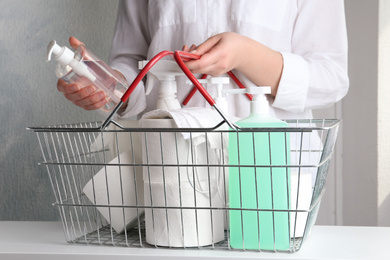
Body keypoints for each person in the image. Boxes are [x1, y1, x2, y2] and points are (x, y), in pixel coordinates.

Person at [57, 0, 349, 122]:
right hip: (170, 165)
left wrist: (246, 54)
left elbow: (331, 77)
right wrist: (108, 86)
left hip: (270, 171)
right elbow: (132, 60)